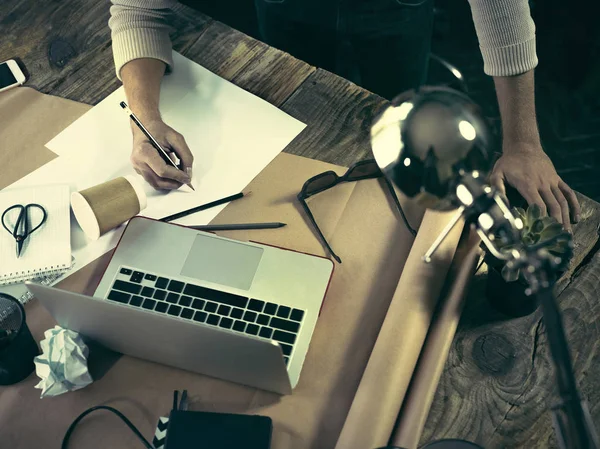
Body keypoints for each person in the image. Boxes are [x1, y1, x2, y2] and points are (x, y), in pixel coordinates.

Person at [108, 0, 581, 231]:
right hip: (288, 17)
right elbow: (137, 9)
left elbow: (503, 16)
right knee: (300, 136)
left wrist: (523, 144)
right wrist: (144, 119)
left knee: (397, 103)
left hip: (395, 15)